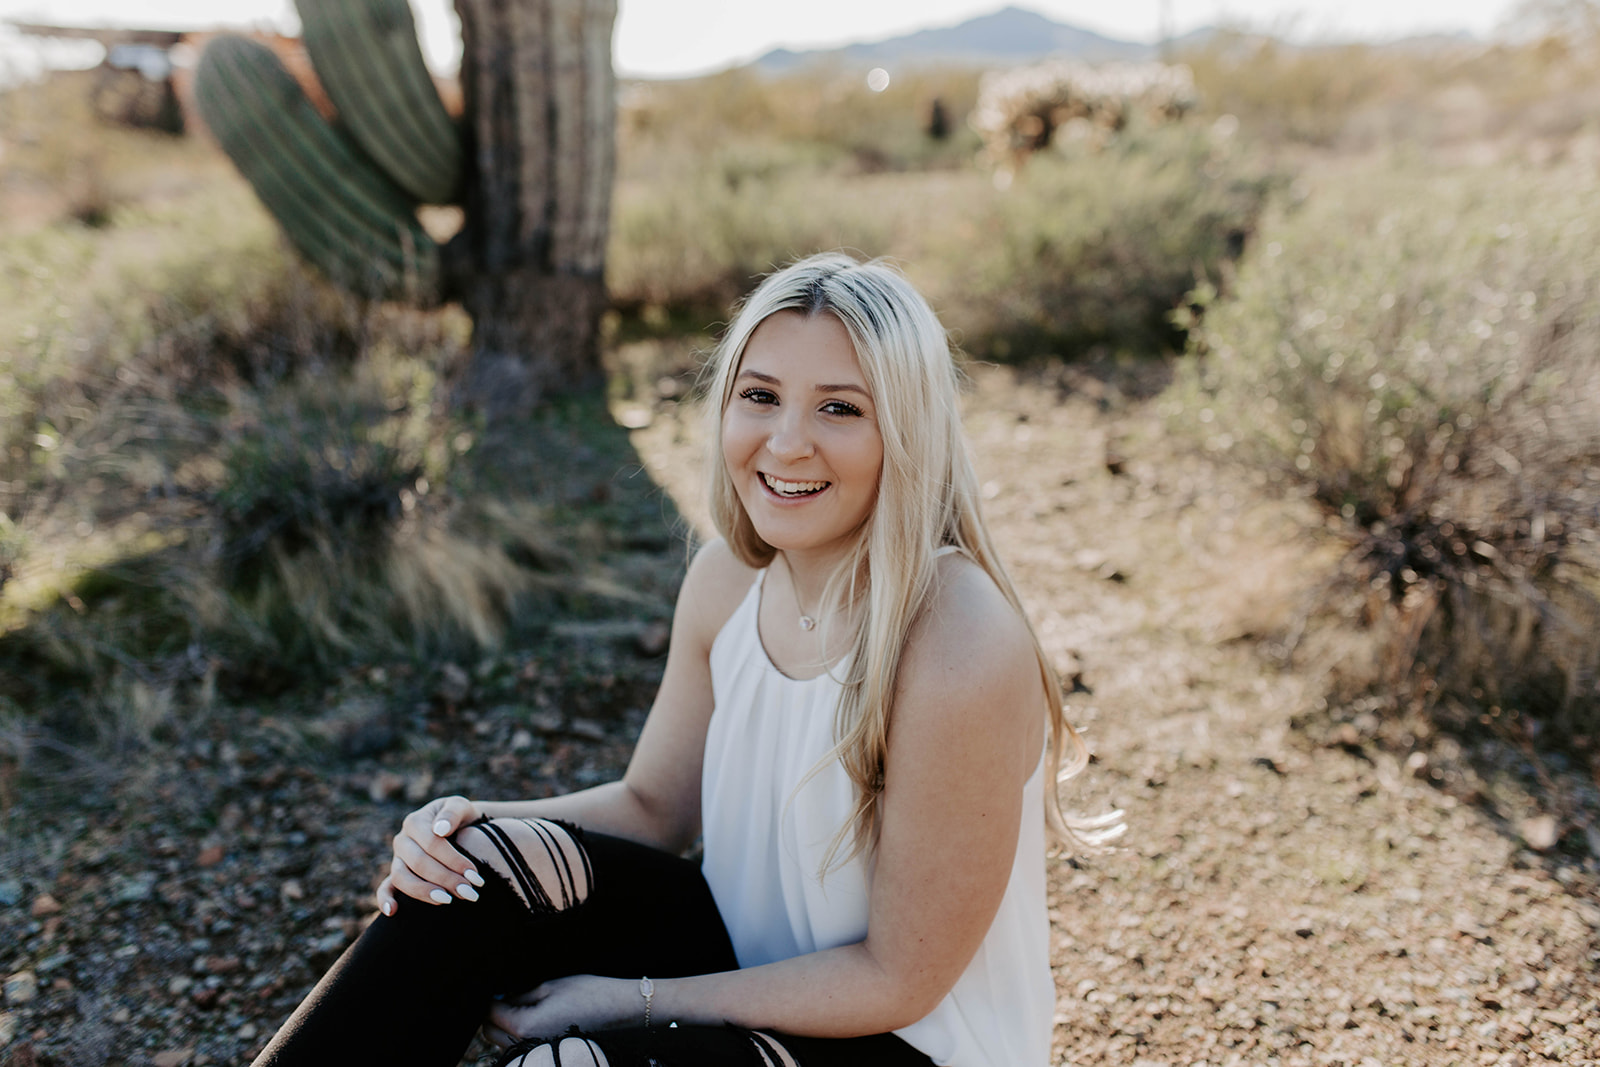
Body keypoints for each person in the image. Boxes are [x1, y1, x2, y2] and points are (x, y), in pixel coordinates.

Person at [251, 253, 1119, 1067]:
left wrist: (632, 1001)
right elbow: (653, 804)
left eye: (840, 408)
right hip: (743, 966)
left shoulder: (956, 638)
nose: (785, 443)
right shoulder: (728, 580)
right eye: (761, 395)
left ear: (910, 430)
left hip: (900, 1043)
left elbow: (900, 977)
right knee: (475, 871)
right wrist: (457, 825)